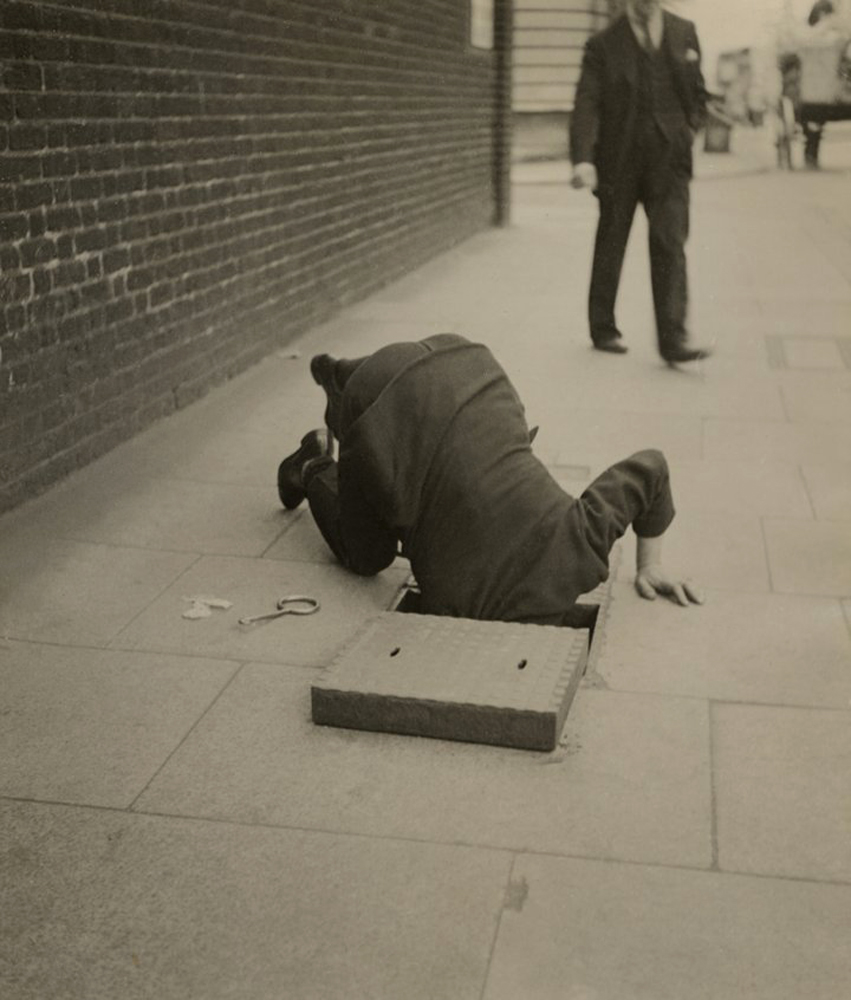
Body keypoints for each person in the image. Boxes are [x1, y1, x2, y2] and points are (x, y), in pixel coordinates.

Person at [277, 334, 702, 625]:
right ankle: (312, 463)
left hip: (466, 362)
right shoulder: (456, 604)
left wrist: (652, 562)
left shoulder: (581, 540)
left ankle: (344, 377)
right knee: (367, 557)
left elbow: (651, 466)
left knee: (450, 423)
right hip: (378, 412)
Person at [569, 0, 712, 365]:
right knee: (612, 240)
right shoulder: (602, 44)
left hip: (670, 159)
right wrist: (584, 159)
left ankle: (673, 339)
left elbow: (697, 91)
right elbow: (587, 102)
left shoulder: (684, 31)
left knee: (669, 241)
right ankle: (603, 328)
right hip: (620, 161)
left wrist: (688, 129)